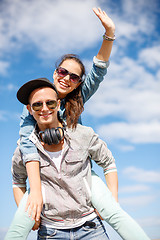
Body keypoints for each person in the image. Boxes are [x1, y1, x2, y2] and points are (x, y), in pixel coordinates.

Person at [5, 7, 150, 240]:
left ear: (77, 84)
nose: (66, 78)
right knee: (26, 212)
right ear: (55, 72)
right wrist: (35, 199)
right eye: (63, 71)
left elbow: (99, 70)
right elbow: (27, 147)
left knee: (113, 210)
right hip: (46, 173)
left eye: (74, 77)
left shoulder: (77, 101)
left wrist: (109, 33)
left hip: (79, 169)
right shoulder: (35, 102)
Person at [8, 78, 117, 239]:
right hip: (50, 232)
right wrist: (31, 216)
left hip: (91, 229)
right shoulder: (23, 149)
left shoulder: (82, 134)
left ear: (58, 104)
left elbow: (108, 163)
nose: (44, 109)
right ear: (29, 109)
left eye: (50, 103)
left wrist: (111, 200)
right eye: (37, 105)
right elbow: (17, 182)